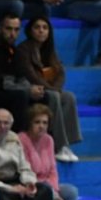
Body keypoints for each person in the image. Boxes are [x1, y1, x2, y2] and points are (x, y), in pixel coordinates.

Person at [19, 104, 89, 200]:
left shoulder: (49, 140)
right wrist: (53, 193)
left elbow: (52, 170)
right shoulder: (21, 140)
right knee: (46, 191)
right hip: (30, 185)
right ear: (29, 123)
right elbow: (27, 171)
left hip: (49, 185)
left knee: (71, 191)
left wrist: (56, 191)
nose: (41, 126)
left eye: (44, 123)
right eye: (37, 122)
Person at [15, 16, 82, 162]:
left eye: (45, 28)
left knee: (69, 97)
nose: (41, 31)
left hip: (49, 90)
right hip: (31, 92)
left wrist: (55, 88)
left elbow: (60, 73)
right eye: (37, 27)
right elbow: (31, 75)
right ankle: (58, 145)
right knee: (54, 96)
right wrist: (52, 89)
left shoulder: (49, 50)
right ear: (30, 31)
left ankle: (67, 144)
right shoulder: (23, 49)